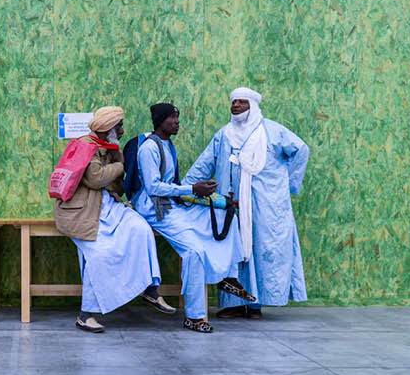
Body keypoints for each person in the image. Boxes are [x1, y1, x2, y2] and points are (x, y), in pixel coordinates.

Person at [186, 87, 309, 319]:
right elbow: (204, 164)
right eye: (233, 103)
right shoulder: (224, 134)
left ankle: (255, 305)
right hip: (232, 204)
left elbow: (301, 150)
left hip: (265, 205)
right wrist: (185, 189)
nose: (236, 106)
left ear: (252, 106)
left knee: (260, 250)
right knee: (233, 251)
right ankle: (233, 304)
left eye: (241, 103)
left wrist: (287, 184)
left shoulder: (272, 131)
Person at [131, 103, 255, 332]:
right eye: (172, 118)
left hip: (172, 204)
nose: (177, 122)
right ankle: (195, 316)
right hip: (156, 210)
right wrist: (191, 189)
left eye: (177, 117)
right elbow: (153, 187)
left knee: (225, 214)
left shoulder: (168, 145)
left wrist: (195, 191)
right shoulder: (149, 149)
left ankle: (229, 276)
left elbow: (171, 186)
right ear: (160, 121)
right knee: (194, 252)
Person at [53, 106, 176, 333]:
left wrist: (117, 164)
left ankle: (149, 288)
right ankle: (86, 314)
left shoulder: (108, 148)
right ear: (107, 128)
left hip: (108, 207)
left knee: (140, 228)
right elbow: (95, 178)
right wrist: (121, 164)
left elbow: (116, 187)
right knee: (99, 254)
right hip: (84, 213)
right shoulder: (86, 145)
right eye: (118, 126)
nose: (121, 130)